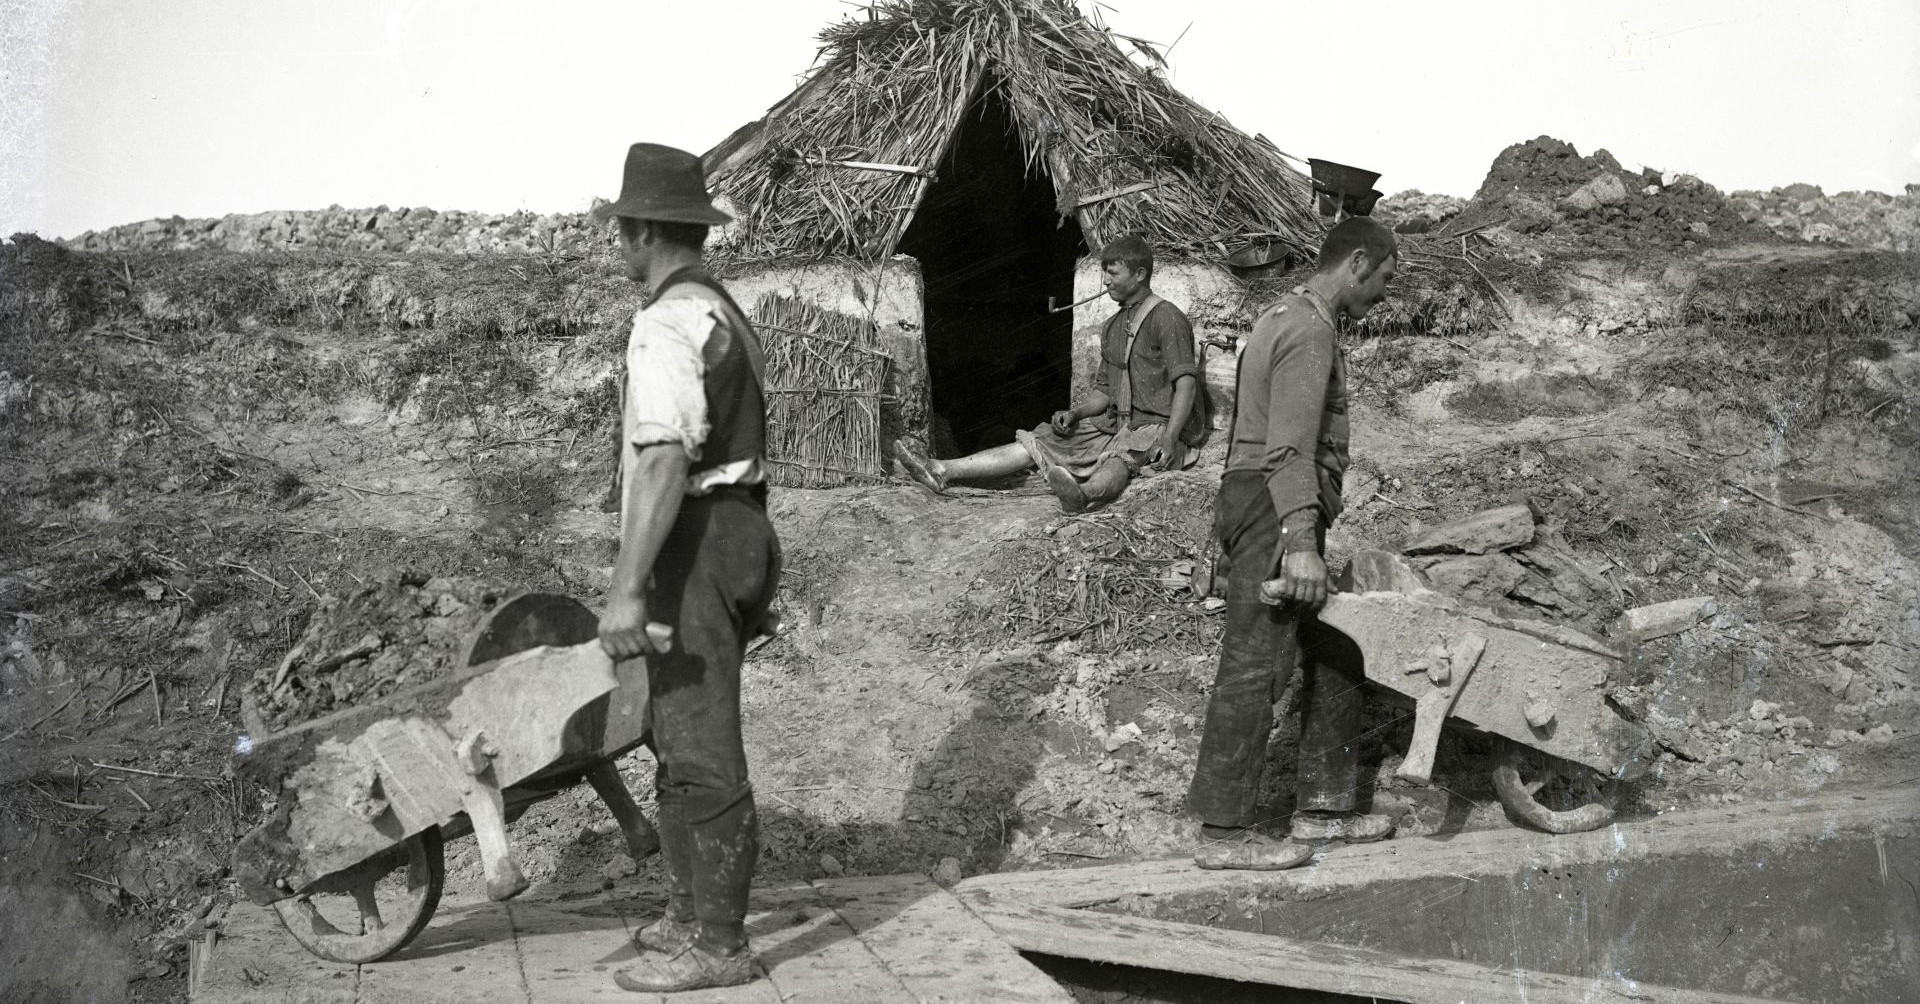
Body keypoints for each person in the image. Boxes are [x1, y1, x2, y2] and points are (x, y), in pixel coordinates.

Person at [593, 143, 780, 992]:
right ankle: (685, 915)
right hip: (737, 529)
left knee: (699, 745)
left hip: (699, 538)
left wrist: (627, 588)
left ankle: (721, 945)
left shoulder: (666, 322)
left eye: (621, 232)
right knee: (672, 735)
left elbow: (666, 458)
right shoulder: (722, 309)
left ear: (641, 231)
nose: (619, 246)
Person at [1186, 217, 1400, 870]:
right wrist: (1300, 542)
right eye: (1383, 278)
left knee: (1336, 648)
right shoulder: (1308, 329)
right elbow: (1287, 449)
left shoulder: (1287, 316)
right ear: (1357, 263)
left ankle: (1324, 809)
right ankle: (1224, 833)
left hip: (1264, 502)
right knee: (1258, 660)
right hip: (1274, 505)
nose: (1384, 294)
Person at [894, 236, 1206, 514]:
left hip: (1155, 426)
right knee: (1042, 439)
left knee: (1121, 456)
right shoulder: (1112, 326)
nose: (1106, 281)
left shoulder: (1167, 318)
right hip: (1115, 423)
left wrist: (1169, 437)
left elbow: (1186, 385)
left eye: (1113, 273)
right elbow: (1104, 391)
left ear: (1139, 274)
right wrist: (1076, 413)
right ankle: (942, 470)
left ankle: (1083, 496)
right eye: (1104, 273)